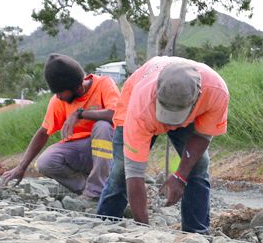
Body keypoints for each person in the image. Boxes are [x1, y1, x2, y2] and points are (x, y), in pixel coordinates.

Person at [95, 56, 229, 233]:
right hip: (143, 110)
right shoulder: (140, 106)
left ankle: (196, 233)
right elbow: (134, 174)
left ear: (198, 97)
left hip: (189, 113)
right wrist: (144, 231)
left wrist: (180, 176)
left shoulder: (216, 92)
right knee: (121, 169)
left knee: (198, 166)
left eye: (176, 117)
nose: (171, 124)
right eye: (167, 113)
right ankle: (105, 223)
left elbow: (203, 136)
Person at [2, 54, 119, 200]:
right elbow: (43, 133)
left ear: (76, 86)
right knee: (45, 162)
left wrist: (81, 114)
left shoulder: (104, 84)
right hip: (81, 153)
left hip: (111, 152)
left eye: (60, 92)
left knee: (103, 127)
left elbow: (116, 114)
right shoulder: (58, 102)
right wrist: (22, 167)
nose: (57, 96)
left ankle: (98, 190)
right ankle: (89, 192)